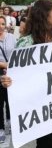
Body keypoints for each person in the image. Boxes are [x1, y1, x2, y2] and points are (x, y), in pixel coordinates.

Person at [1, 0, 52, 147]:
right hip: (40, 107)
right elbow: (17, 73)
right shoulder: (26, 43)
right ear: (44, 16)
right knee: (46, 144)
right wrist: (10, 80)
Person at [0, 15, 16, 143]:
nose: (0, 26)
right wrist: (4, 64)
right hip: (0, 71)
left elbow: (16, 53)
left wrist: (12, 65)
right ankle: (0, 128)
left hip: (11, 72)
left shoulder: (11, 37)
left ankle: (11, 123)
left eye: (2, 24)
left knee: (10, 98)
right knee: (0, 102)